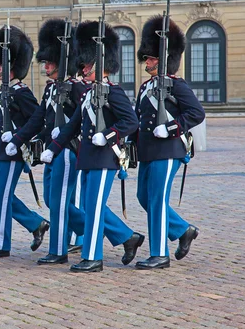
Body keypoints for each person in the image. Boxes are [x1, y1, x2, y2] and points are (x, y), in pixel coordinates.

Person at [41, 21, 144, 273]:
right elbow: (71, 126)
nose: (83, 69)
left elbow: (131, 121)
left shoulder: (113, 92)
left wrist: (109, 134)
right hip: (88, 158)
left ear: (99, 65)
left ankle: (93, 258)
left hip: (104, 158)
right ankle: (107, 247)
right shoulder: (88, 94)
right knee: (89, 207)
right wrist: (53, 148)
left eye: (87, 65)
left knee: (94, 208)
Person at [3, 19, 88, 265]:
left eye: (50, 62)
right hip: (52, 152)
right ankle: (110, 231)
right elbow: (39, 119)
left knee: (59, 201)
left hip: (68, 150)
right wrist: (19, 139)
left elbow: (83, 121)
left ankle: (58, 250)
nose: (46, 66)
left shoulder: (76, 88)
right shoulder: (52, 89)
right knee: (52, 200)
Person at [131, 15, 205, 270]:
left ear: (163, 59)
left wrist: (172, 128)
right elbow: (139, 120)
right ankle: (183, 230)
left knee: (157, 200)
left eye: (152, 58)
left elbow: (196, 113)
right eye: (147, 58)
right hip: (149, 152)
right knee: (144, 197)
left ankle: (159, 253)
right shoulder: (145, 88)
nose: (147, 62)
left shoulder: (176, 85)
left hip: (168, 149)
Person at [0, 25, 50, 258]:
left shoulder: (22, 93)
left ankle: (1, 243)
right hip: (0, 151)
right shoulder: (4, 91)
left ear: (13, 67)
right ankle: (36, 224)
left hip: (13, 152)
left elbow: (38, 120)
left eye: (2, 66)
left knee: (2, 196)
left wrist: (17, 138)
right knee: (0, 194)